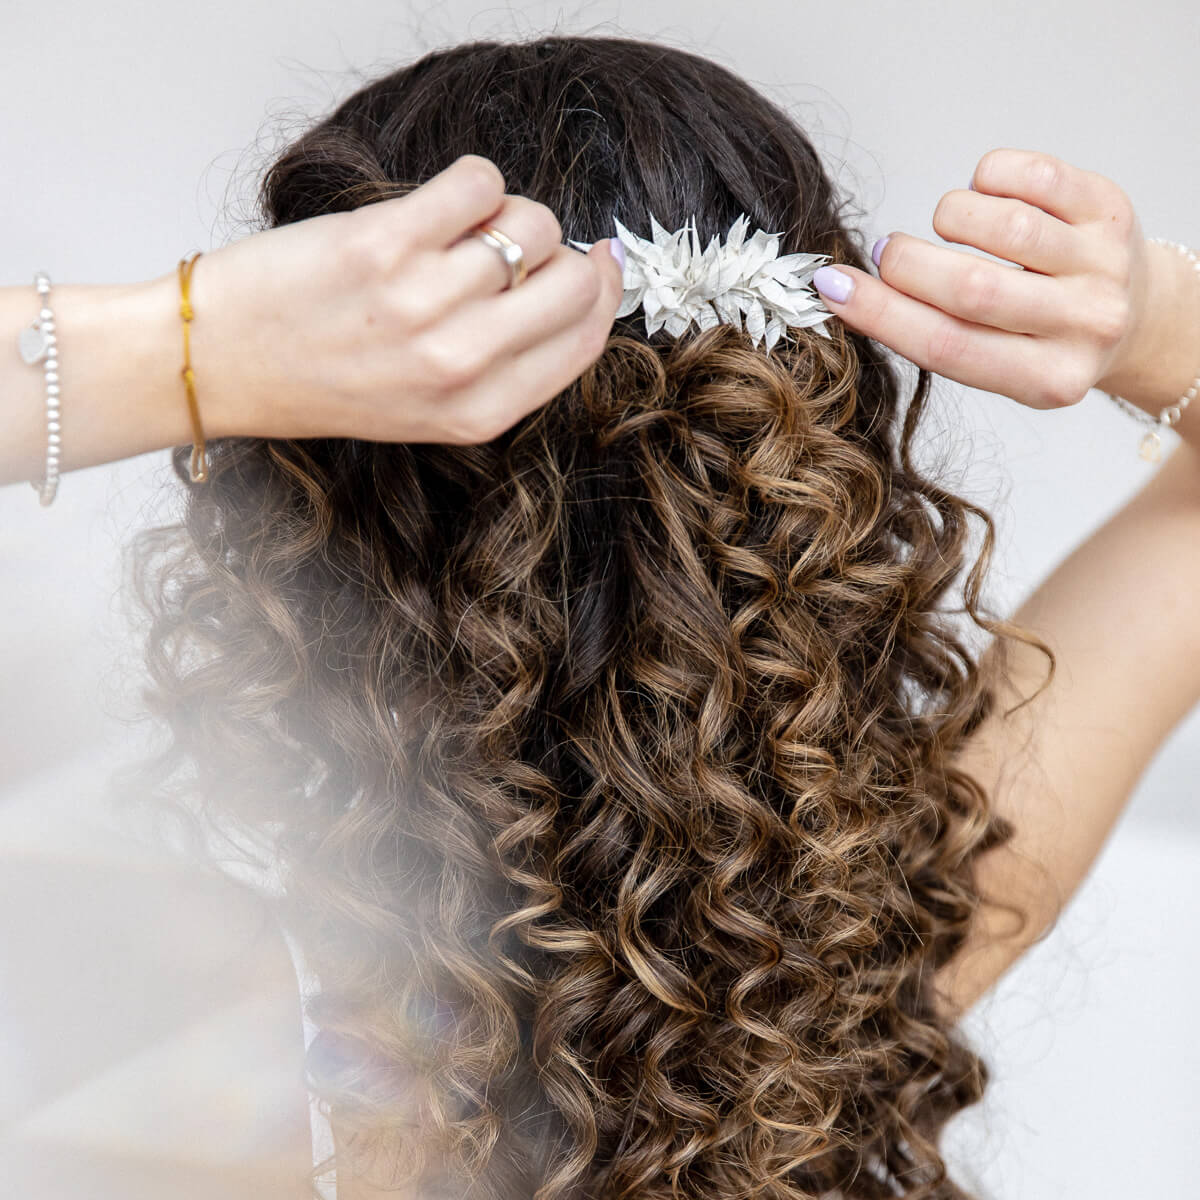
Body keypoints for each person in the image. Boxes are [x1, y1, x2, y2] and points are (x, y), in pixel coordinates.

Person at [8, 31, 1200, 1200]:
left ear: (302, 503)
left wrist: (191, 343)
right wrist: (1158, 325)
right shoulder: (879, 937)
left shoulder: (196, 1006)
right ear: (807, 484)